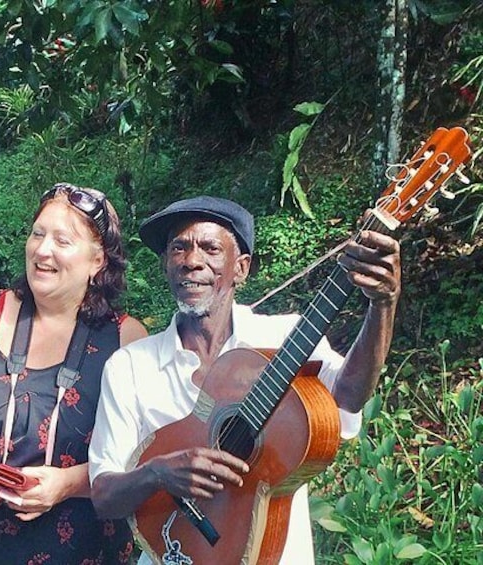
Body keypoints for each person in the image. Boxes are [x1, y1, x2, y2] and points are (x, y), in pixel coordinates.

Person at [89, 195, 401, 563]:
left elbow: (346, 399)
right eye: (179, 248)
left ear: (241, 268)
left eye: (210, 248)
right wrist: (156, 473)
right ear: (166, 266)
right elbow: (105, 497)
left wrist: (383, 304)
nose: (192, 260)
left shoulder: (286, 338)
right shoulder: (129, 365)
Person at [0, 182, 148, 563]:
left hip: (81, 548)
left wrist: (68, 484)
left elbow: (144, 457)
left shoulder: (125, 339)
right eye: (38, 234)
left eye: (63, 240)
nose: (43, 249)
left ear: (97, 261)